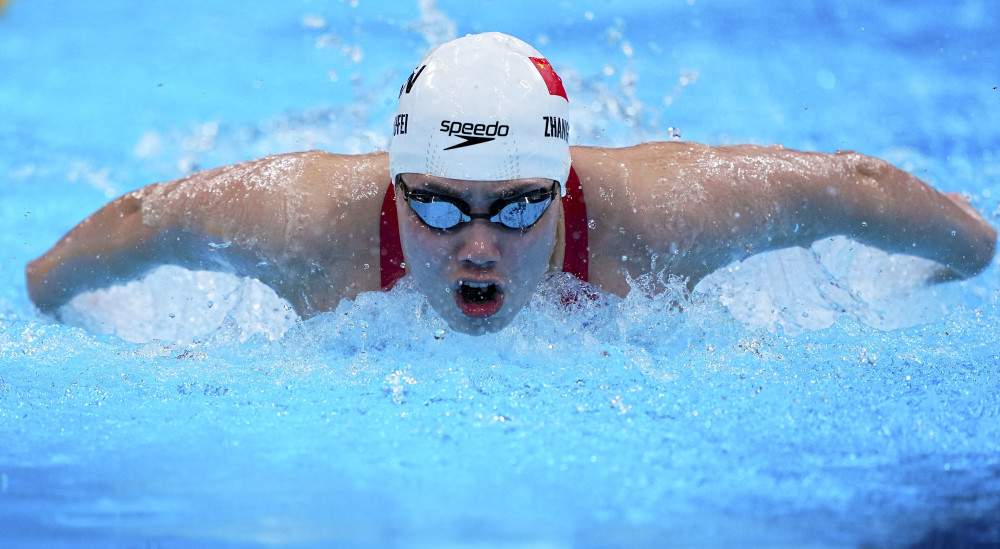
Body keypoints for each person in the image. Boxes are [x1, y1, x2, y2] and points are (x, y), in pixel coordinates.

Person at [25, 33, 997, 335]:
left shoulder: (657, 214)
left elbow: (840, 186)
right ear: (396, 188)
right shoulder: (303, 220)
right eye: (439, 206)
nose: (477, 244)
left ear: (563, 186)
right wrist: (50, 295)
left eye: (521, 206)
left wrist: (967, 249)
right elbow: (146, 217)